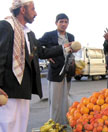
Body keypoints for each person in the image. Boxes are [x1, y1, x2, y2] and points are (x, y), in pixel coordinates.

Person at [0, 0, 72, 131]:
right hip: (7, 90)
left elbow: (42, 52)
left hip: (23, 89)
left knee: (20, 126)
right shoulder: (6, 26)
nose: (36, 13)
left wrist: (64, 48)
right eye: (33, 9)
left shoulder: (29, 33)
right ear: (23, 10)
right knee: (6, 126)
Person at [39, 13, 77, 125]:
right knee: (55, 101)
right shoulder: (48, 35)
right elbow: (37, 46)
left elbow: (72, 50)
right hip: (55, 71)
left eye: (66, 22)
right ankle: (54, 124)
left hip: (68, 71)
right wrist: (47, 56)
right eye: (61, 21)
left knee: (65, 100)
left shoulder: (71, 37)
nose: (63, 24)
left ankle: (65, 123)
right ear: (56, 23)